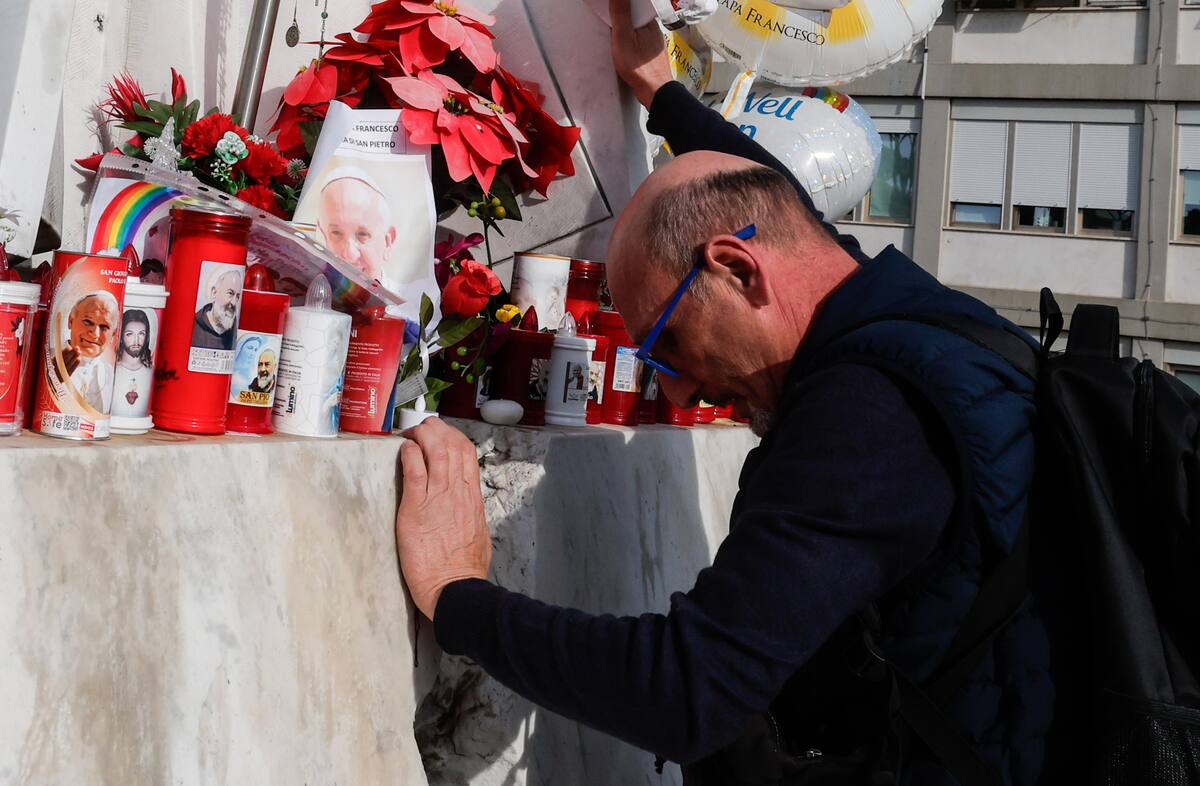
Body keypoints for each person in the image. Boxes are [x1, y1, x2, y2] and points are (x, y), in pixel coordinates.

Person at [394, 3, 1052, 785]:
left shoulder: (869, 418)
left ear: (739, 269)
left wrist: (458, 593)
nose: (674, 388)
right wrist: (660, 93)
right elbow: (773, 202)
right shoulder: (919, 320)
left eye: (666, 341)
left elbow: (686, 689)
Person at [316, 166, 397, 282]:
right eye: (336, 233)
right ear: (323, 235)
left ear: (388, 242)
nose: (350, 255)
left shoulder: (412, 298)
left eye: (363, 234)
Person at [59, 292, 119, 413]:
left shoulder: (111, 373)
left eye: (104, 327)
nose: (95, 334)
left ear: (113, 335)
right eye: (88, 322)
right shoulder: (52, 359)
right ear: (71, 321)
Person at [111, 308, 154, 415]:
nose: (136, 341)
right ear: (121, 336)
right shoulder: (110, 370)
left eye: (141, 334)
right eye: (129, 334)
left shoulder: (150, 372)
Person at [192, 269, 241, 350]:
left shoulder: (235, 330)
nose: (234, 302)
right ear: (214, 293)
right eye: (230, 293)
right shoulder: (194, 326)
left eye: (237, 296)